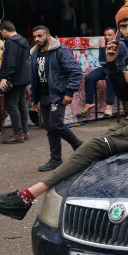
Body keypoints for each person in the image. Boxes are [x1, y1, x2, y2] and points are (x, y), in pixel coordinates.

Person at [0, 4, 128, 219]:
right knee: (92, 156)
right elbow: (125, 94)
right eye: (124, 26)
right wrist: (112, 65)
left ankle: (27, 196)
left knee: (92, 148)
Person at [28, 25, 83, 171]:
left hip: (57, 94)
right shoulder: (35, 54)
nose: (37, 39)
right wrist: (34, 98)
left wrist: (69, 92)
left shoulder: (61, 51)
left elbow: (76, 72)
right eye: (34, 37)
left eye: (40, 36)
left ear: (48, 35)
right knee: (50, 128)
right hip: (44, 95)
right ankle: (55, 159)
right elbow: (35, 78)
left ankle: (79, 146)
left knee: (55, 125)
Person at [80, 27, 128, 117]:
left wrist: (102, 48)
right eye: (105, 35)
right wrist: (103, 47)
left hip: (119, 68)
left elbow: (110, 59)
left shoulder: (120, 44)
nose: (106, 37)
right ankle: (89, 103)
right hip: (106, 67)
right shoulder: (104, 44)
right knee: (89, 77)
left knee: (109, 78)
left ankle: (109, 105)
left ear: (115, 36)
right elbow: (102, 61)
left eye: (109, 35)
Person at [0, 20, 31, 143]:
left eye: (2, 32)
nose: (2, 35)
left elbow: (10, 62)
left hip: (14, 78)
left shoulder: (11, 43)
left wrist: (5, 77)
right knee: (22, 104)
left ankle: (18, 134)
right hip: (23, 77)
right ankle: (25, 131)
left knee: (12, 105)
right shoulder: (23, 41)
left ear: (4, 30)